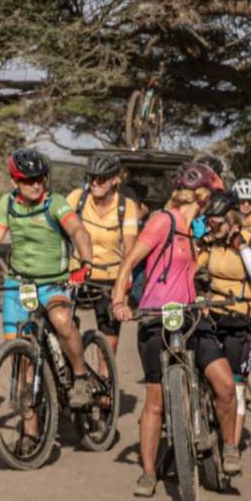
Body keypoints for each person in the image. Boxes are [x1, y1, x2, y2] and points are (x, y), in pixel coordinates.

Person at [112, 163, 241, 496]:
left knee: (225, 386)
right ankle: (148, 473)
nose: (215, 203)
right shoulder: (162, 221)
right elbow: (128, 262)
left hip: (191, 315)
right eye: (212, 196)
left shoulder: (195, 228)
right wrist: (119, 301)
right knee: (155, 401)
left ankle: (229, 448)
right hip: (156, 316)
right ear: (200, 196)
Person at [0, 148, 95, 409]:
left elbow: (78, 231)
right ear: (15, 182)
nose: (36, 185)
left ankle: (80, 376)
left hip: (55, 283)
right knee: (23, 357)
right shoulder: (8, 204)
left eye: (40, 179)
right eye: (28, 180)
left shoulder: (55, 202)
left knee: (61, 319)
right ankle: (30, 435)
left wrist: (85, 263)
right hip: (19, 285)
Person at [196, 190, 251, 453]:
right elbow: (191, 267)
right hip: (215, 315)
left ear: (233, 222)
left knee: (237, 386)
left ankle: (232, 448)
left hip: (242, 321)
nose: (211, 228)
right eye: (208, 223)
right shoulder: (212, 244)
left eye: (216, 224)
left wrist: (240, 244)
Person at [66, 152, 140, 355]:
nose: (95, 183)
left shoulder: (126, 206)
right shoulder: (76, 199)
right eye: (91, 177)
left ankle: (106, 383)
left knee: (109, 345)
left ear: (115, 179)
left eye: (102, 178)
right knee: (63, 327)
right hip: (77, 274)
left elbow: (130, 250)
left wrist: (122, 290)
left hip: (109, 277)